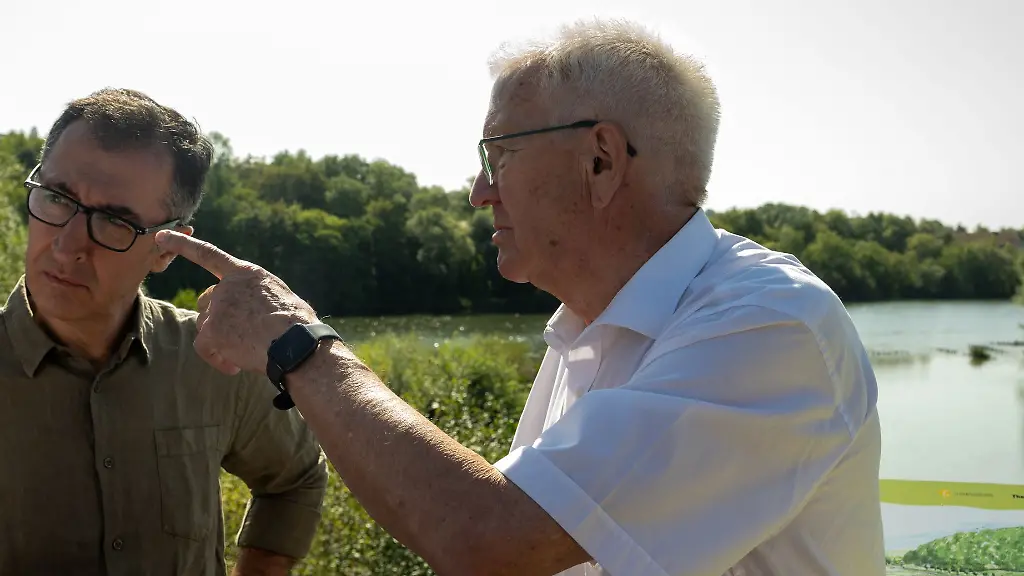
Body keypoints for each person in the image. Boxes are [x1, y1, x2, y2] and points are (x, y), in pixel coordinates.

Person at [155, 19, 886, 576]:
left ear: (600, 160)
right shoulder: (586, 332)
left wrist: (297, 344)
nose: (478, 193)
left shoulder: (772, 326)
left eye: (497, 155)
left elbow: (487, 538)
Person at [0, 88, 328, 576]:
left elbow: (295, 477)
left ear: (167, 250)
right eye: (56, 198)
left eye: (114, 222)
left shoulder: (212, 359)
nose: (67, 246)